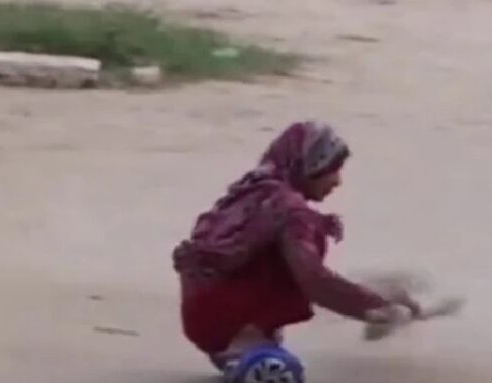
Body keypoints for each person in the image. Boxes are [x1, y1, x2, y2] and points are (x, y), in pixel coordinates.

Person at [173, 121, 420, 370]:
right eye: (331, 169)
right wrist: (372, 307)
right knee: (303, 253)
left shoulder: (256, 188)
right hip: (220, 314)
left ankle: (241, 338)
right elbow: (313, 280)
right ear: (310, 166)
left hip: (198, 311)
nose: (337, 181)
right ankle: (244, 340)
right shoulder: (291, 211)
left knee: (287, 253)